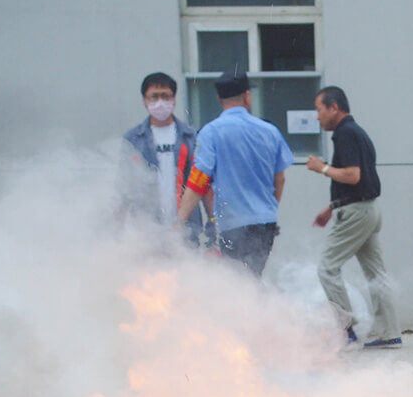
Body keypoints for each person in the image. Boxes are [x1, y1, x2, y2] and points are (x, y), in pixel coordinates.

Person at [306, 86, 402, 349]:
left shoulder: (345, 133)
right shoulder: (356, 131)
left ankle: (345, 330)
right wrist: (331, 207)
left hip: (358, 213)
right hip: (367, 209)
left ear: (334, 108)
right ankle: (389, 332)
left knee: (327, 268)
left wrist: (321, 168)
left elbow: (353, 175)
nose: (317, 117)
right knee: (376, 274)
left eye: (319, 109)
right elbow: (358, 181)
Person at [176, 71, 293, 277]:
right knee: (253, 277)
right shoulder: (269, 131)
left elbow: (199, 181)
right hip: (264, 223)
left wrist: (179, 221)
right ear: (247, 96)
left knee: (238, 283)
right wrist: (270, 209)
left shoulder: (211, 132)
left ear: (219, 99)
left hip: (233, 224)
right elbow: (280, 178)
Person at [120, 72, 213, 239]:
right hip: (147, 230)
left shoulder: (191, 137)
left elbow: (204, 184)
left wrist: (212, 223)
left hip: (186, 229)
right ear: (144, 100)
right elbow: (125, 186)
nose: (160, 102)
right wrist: (118, 228)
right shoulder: (133, 139)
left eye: (165, 96)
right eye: (154, 97)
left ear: (174, 99)